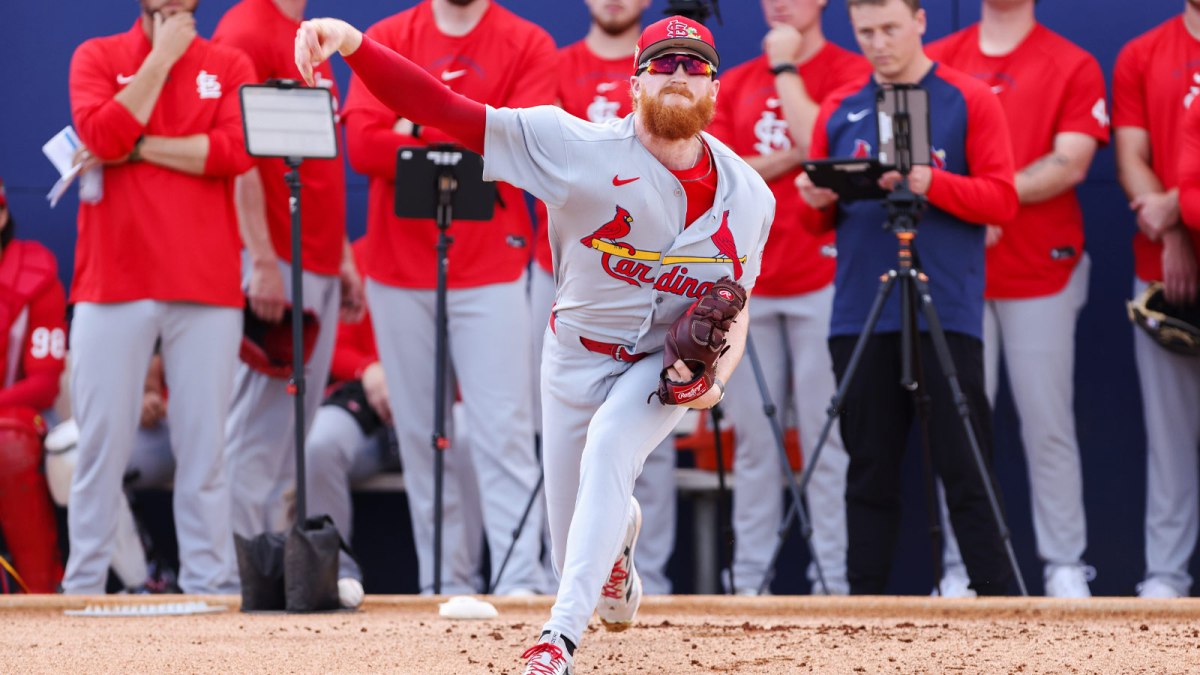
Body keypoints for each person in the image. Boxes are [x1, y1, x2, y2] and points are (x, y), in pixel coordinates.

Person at [295, 12, 773, 673]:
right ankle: (617, 552)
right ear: (634, 83)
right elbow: (442, 107)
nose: (679, 77)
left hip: (657, 367)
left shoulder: (750, 197)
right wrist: (352, 45)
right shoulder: (573, 145)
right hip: (574, 355)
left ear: (715, 90)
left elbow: (734, 306)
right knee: (571, 546)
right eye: (663, 64)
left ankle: (558, 638)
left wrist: (716, 378)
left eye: (695, 67)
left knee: (612, 444)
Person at [797, 0, 1018, 595]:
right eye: (865, 31)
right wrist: (816, 197)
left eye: (890, 28)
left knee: (965, 463)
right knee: (868, 468)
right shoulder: (839, 108)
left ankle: (1000, 607)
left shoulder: (969, 98)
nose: (878, 43)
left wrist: (926, 180)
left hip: (945, 305)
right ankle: (863, 610)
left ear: (921, 21)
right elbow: (817, 223)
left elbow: (1002, 199)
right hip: (860, 311)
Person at [340, 0, 555, 596]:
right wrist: (468, 126)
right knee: (420, 435)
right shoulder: (388, 35)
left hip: (491, 264)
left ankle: (519, 582)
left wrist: (410, 124)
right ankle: (445, 583)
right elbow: (361, 146)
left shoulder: (527, 42)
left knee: (504, 430)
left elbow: (521, 145)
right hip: (398, 267)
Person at [63, 0, 255, 594]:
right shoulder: (96, 54)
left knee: (205, 451)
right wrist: (161, 58)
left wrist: (138, 149)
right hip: (112, 281)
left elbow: (234, 151)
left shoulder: (229, 62)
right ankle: (83, 588)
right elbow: (99, 135)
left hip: (205, 282)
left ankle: (210, 584)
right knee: (98, 446)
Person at [925, 0, 1109, 599]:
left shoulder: (1072, 62)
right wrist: (977, 205)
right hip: (959, 272)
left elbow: (1072, 160)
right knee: (958, 427)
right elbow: (920, 159)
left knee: (1046, 422)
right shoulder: (940, 59)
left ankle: (1062, 564)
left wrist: (990, 199)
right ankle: (961, 567)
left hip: (1039, 269)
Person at [707, 0, 870, 596]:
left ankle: (832, 583)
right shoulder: (738, 80)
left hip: (823, 280)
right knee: (754, 442)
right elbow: (719, 172)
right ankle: (749, 582)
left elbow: (825, 149)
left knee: (828, 442)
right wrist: (792, 160)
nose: (780, 4)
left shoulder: (850, 72)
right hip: (748, 282)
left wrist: (786, 73)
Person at [528, 0, 679, 596]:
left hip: (659, 279)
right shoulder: (558, 65)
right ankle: (567, 574)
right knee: (563, 434)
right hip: (574, 279)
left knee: (651, 435)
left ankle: (654, 575)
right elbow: (534, 158)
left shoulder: (677, 73)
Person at [211, 0, 365, 543]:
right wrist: (259, 260)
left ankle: (267, 575)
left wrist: (343, 254)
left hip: (318, 257)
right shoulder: (245, 27)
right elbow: (239, 155)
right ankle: (234, 578)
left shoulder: (310, 31)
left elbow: (320, 157)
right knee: (256, 434)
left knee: (288, 441)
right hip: (276, 258)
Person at [303, 238, 483, 606]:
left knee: (466, 434)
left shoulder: (457, 254)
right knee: (319, 445)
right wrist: (366, 369)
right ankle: (333, 578)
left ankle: (463, 581)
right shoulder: (361, 254)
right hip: (369, 407)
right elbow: (325, 343)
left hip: (437, 408)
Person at [1114, 2, 1200, 599]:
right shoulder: (1144, 51)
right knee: (1170, 437)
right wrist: (1173, 228)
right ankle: (1167, 577)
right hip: (1167, 271)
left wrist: (1182, 205)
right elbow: (1131, 157)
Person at [0, 178, 68, 593]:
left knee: (9, 441)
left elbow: (43, 385)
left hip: (18, 419)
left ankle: (37, 591)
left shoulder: (34, 271)